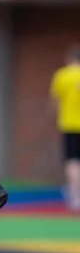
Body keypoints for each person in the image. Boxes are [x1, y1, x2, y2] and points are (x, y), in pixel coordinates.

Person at [50, 44, 80, 211]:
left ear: (70, 59)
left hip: (69, 124)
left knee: (73, 161)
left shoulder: (62, 75)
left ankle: (75, 198)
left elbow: (55, 100)